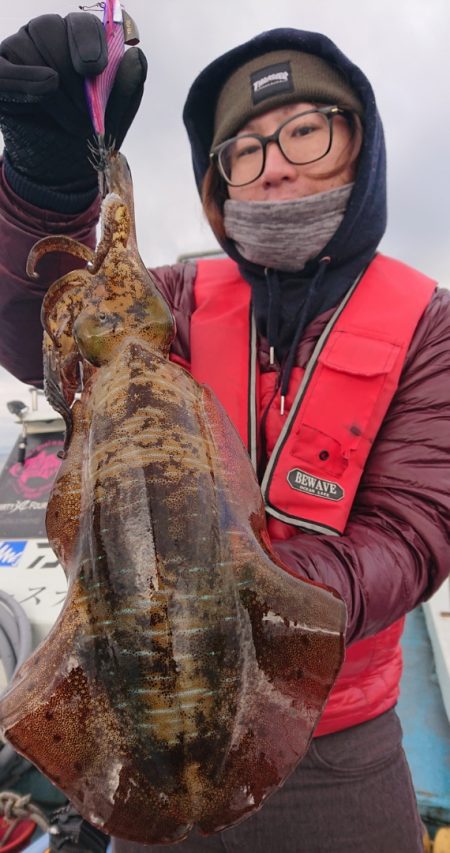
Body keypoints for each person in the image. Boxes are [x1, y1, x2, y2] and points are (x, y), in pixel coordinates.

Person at [0, 13, 448, 853]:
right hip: (134, 719)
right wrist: (45, 185)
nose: (273, 162)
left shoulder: (430, 324)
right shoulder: (167, 299)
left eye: (304, 131)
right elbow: (47, 337)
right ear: (219, 179)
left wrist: (240, 600)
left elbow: (420, 526)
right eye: (243, 147)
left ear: (361, 143)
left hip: (342, 740)